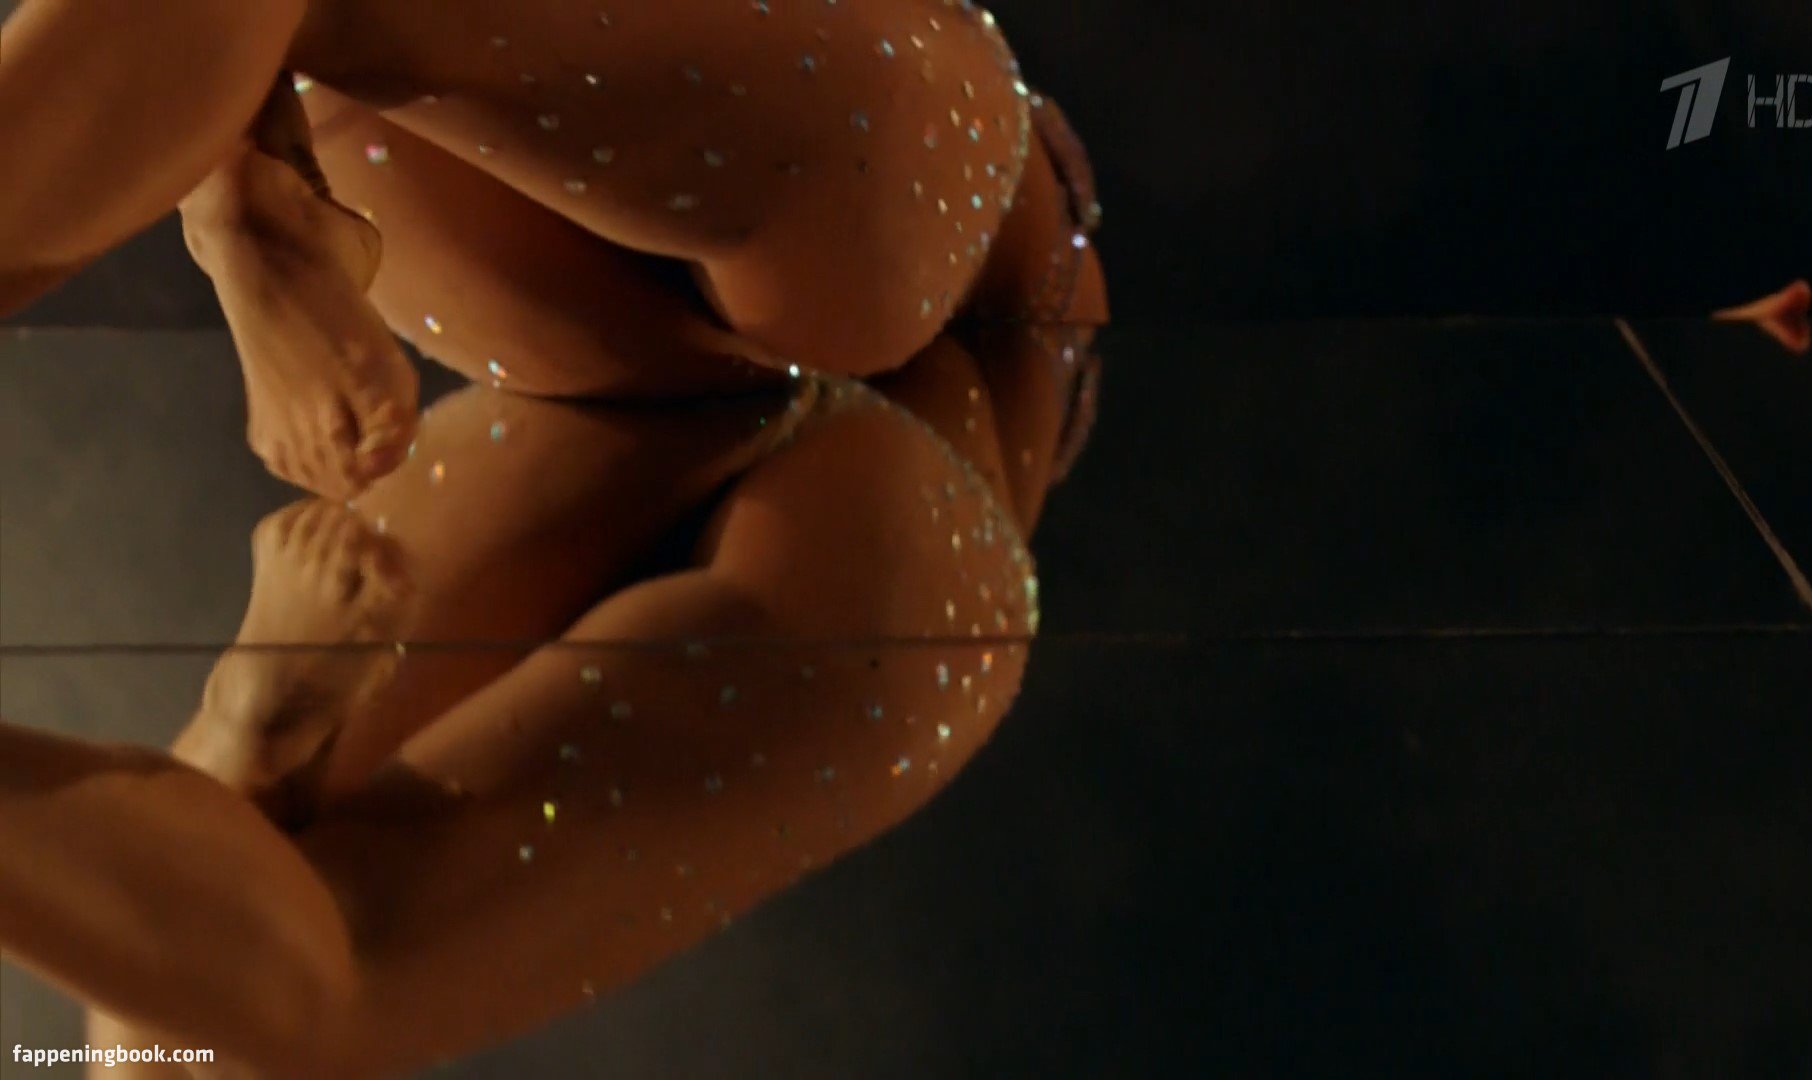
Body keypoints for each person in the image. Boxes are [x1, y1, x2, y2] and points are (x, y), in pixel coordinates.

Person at [0, 0, 1106, 1075]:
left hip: (813, 342)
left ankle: (241, 743)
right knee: (241, 1021)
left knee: (221, 1030)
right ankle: (240, 743)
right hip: (866, 245)